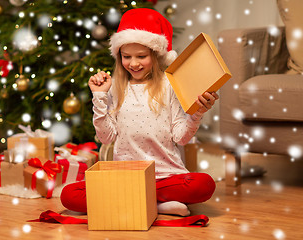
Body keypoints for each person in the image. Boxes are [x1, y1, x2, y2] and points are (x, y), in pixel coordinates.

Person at [61, 8, 219, 216]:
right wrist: (99, 97)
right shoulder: (115, 87)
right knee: (69, 195)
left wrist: (197, 113)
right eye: (126, 56)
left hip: (164, 176)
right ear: (119, 57)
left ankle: (134, 202)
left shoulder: (169, 85)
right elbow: (106, 137)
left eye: (141, 56)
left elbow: (181, 138)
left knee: (203, 184)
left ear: (156, 55)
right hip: (126, 177)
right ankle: (157, 205)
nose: (133, 63)